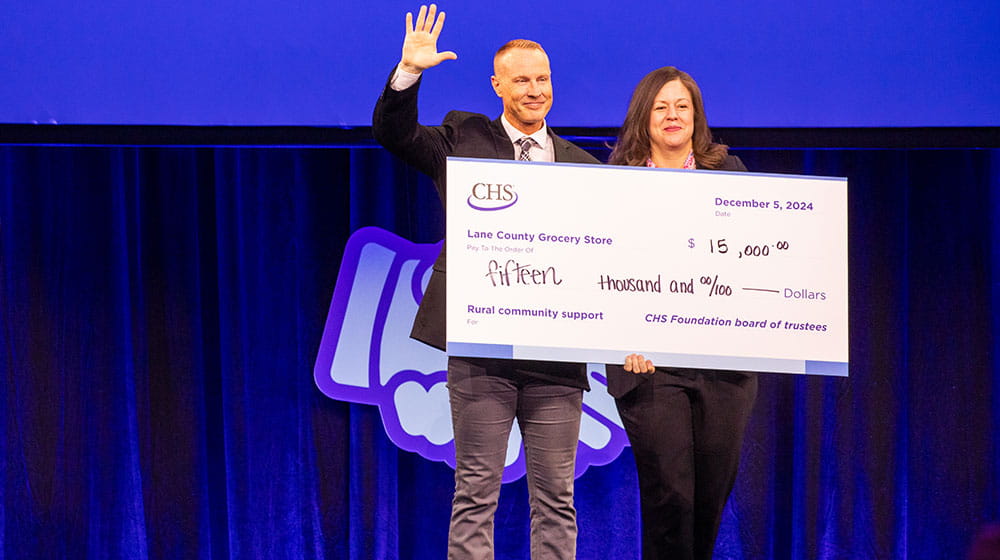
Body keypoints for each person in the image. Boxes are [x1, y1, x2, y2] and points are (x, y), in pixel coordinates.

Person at [371, 5, 600, 559]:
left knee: (557, 499)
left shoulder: (584, 166)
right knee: (475, 494)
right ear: (497, 85)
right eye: (521, 80)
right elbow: (395, 134)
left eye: (542, 79)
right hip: (481, 351)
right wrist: (409, 72)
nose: (534, 90)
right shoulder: (464, 138)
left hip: (556, 357)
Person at [605, 66, 758, 560]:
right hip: (649, 368)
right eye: (661, 107)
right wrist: (621, 339)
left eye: (682, 106)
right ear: (643, 117)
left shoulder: (730, 174)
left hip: (723, 367)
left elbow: (758, 263)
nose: (672, 116)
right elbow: (599, 274)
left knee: (709, 501)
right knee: (671, 498)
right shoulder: (614, 186)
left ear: (696, 116)